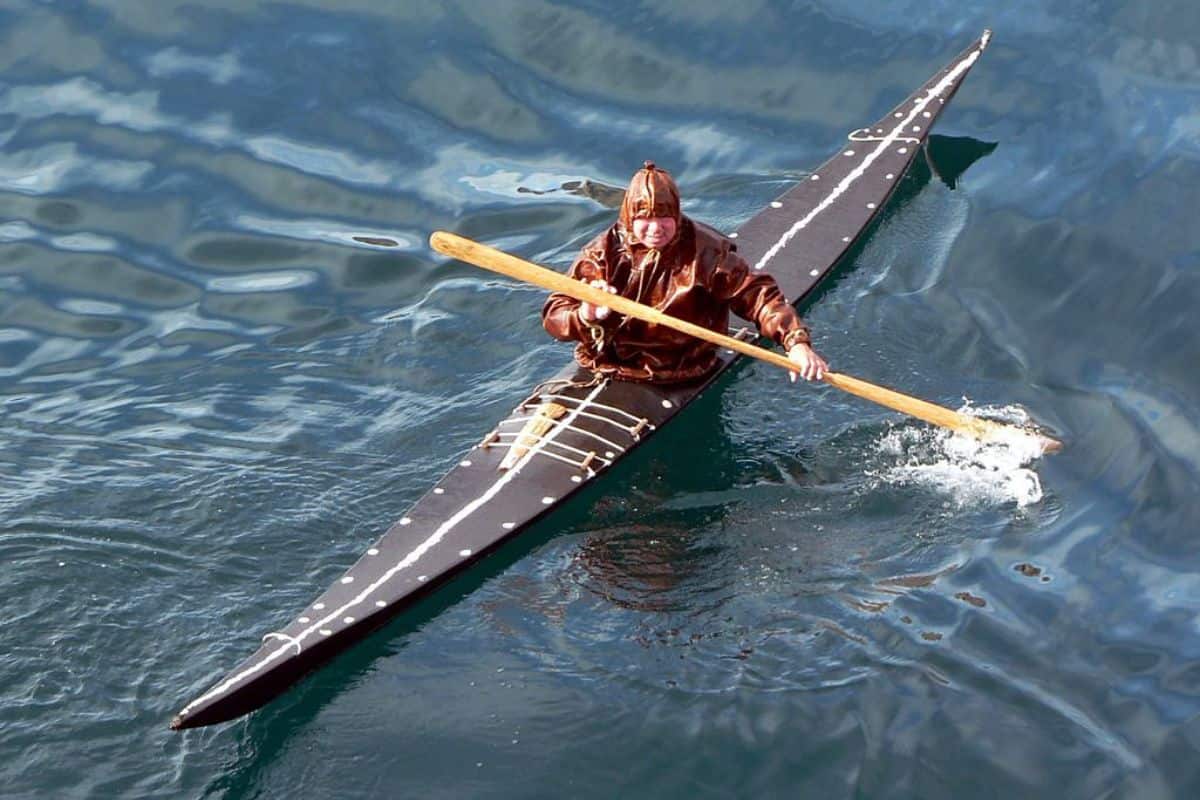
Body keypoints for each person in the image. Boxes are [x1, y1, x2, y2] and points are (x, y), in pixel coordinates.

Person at [542, 161, 828, 384]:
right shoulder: (600, 253)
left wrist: (796, 342)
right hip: (602, 362)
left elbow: (757, 296)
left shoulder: (707, 253)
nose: (655, 229)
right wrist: (585, 315)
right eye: (644, 219)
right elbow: (556, 312)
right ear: (630, 217)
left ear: (677, 214)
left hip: (681, 369)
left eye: (664, 218)